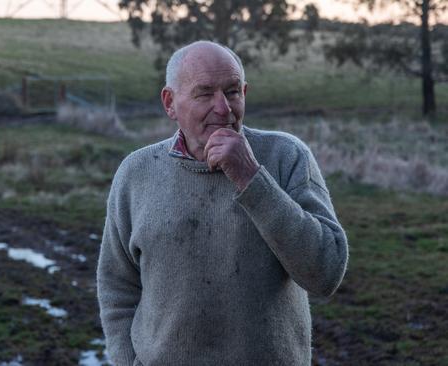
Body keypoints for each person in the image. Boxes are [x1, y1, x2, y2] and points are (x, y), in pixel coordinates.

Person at [96, 40, 349, 366]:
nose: (223, 108)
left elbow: (325, 274)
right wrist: (125, 359)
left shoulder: (286, 157)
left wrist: (250, 176)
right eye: (204, 93)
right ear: (170, 103)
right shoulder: (136, 172)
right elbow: (117, 286)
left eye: (232, 92)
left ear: (245, 92)